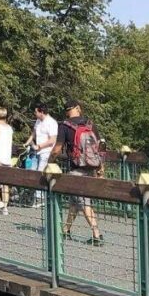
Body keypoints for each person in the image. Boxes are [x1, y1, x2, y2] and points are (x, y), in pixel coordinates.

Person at [53, 100, 103, 246]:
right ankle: (66, 230)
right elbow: (101, 145)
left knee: (83, 201)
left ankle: (96, 235)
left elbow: (57, 149)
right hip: (91, 167)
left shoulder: (64, 126)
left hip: (76, 169)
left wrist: (50, 162)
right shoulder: (89, 124)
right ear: (78, 108)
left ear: (67, 111)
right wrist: (101, 166)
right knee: (74, 201)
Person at [25, 104, 59, 208]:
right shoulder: (38, 121)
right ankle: (35, 196)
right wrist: (27, 143)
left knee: (41, 173)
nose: (35, 114)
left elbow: (52, 140)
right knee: (33, 171)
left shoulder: (51, 123)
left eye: (36, 112)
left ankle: (41, 198)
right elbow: (34, 133)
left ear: (41, 112)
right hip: (37, 151)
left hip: (46, 151)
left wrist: (39, 146)